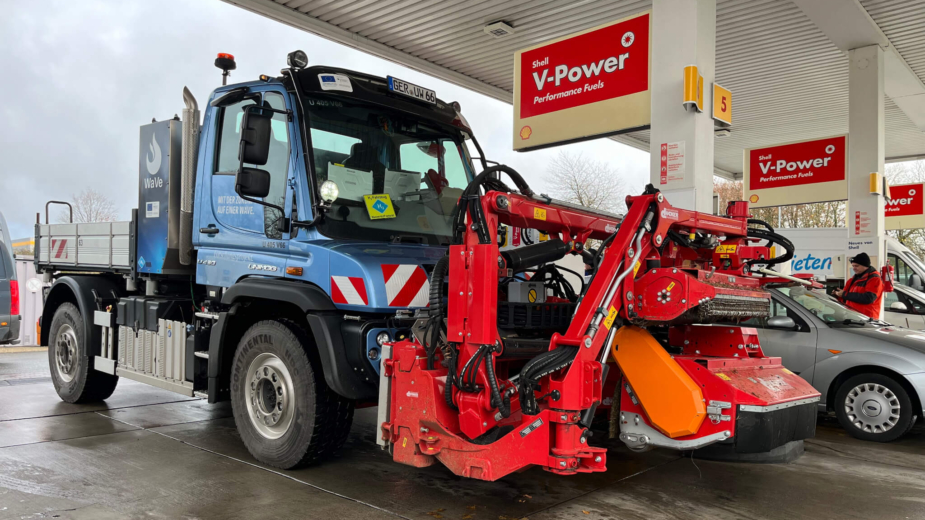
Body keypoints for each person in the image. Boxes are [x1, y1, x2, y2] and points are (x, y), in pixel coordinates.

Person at [833, 252, 884, 319]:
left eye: (856, 266)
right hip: (852, 317)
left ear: (865, 266)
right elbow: (846, 298)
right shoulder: (852, 280)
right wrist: (837, 295)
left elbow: (869, 298)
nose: (854, 268)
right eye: (853, 266)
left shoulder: (875, 279)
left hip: (867, 319)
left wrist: (844, 294)